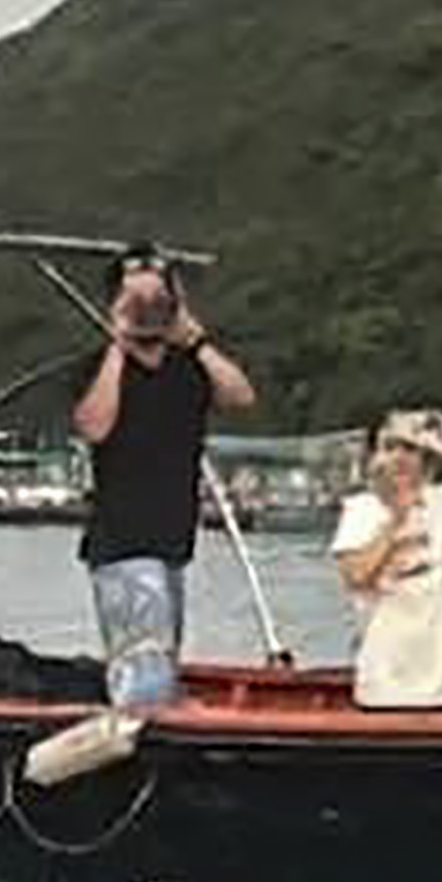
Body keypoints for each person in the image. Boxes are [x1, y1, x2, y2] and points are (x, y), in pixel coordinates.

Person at [70, 244, 259, 715]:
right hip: (122, 543)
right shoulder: (98, 368)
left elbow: (241, 395)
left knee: (160, 657)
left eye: (159, 301)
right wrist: (119, 343)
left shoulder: (189, 367)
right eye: (137, 301)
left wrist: (194, 338)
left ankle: (153, 723)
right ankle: (144, 744)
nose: (148, 312)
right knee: (146, 680)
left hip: (173, 538)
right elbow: (94, 426)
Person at [331, 417, 442, 710]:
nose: (400, 457)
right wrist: (397, 521)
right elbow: (355, 575)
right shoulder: (361, 510)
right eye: (390, 447)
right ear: (373, 458)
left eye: (411, 448)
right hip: (389, 686)